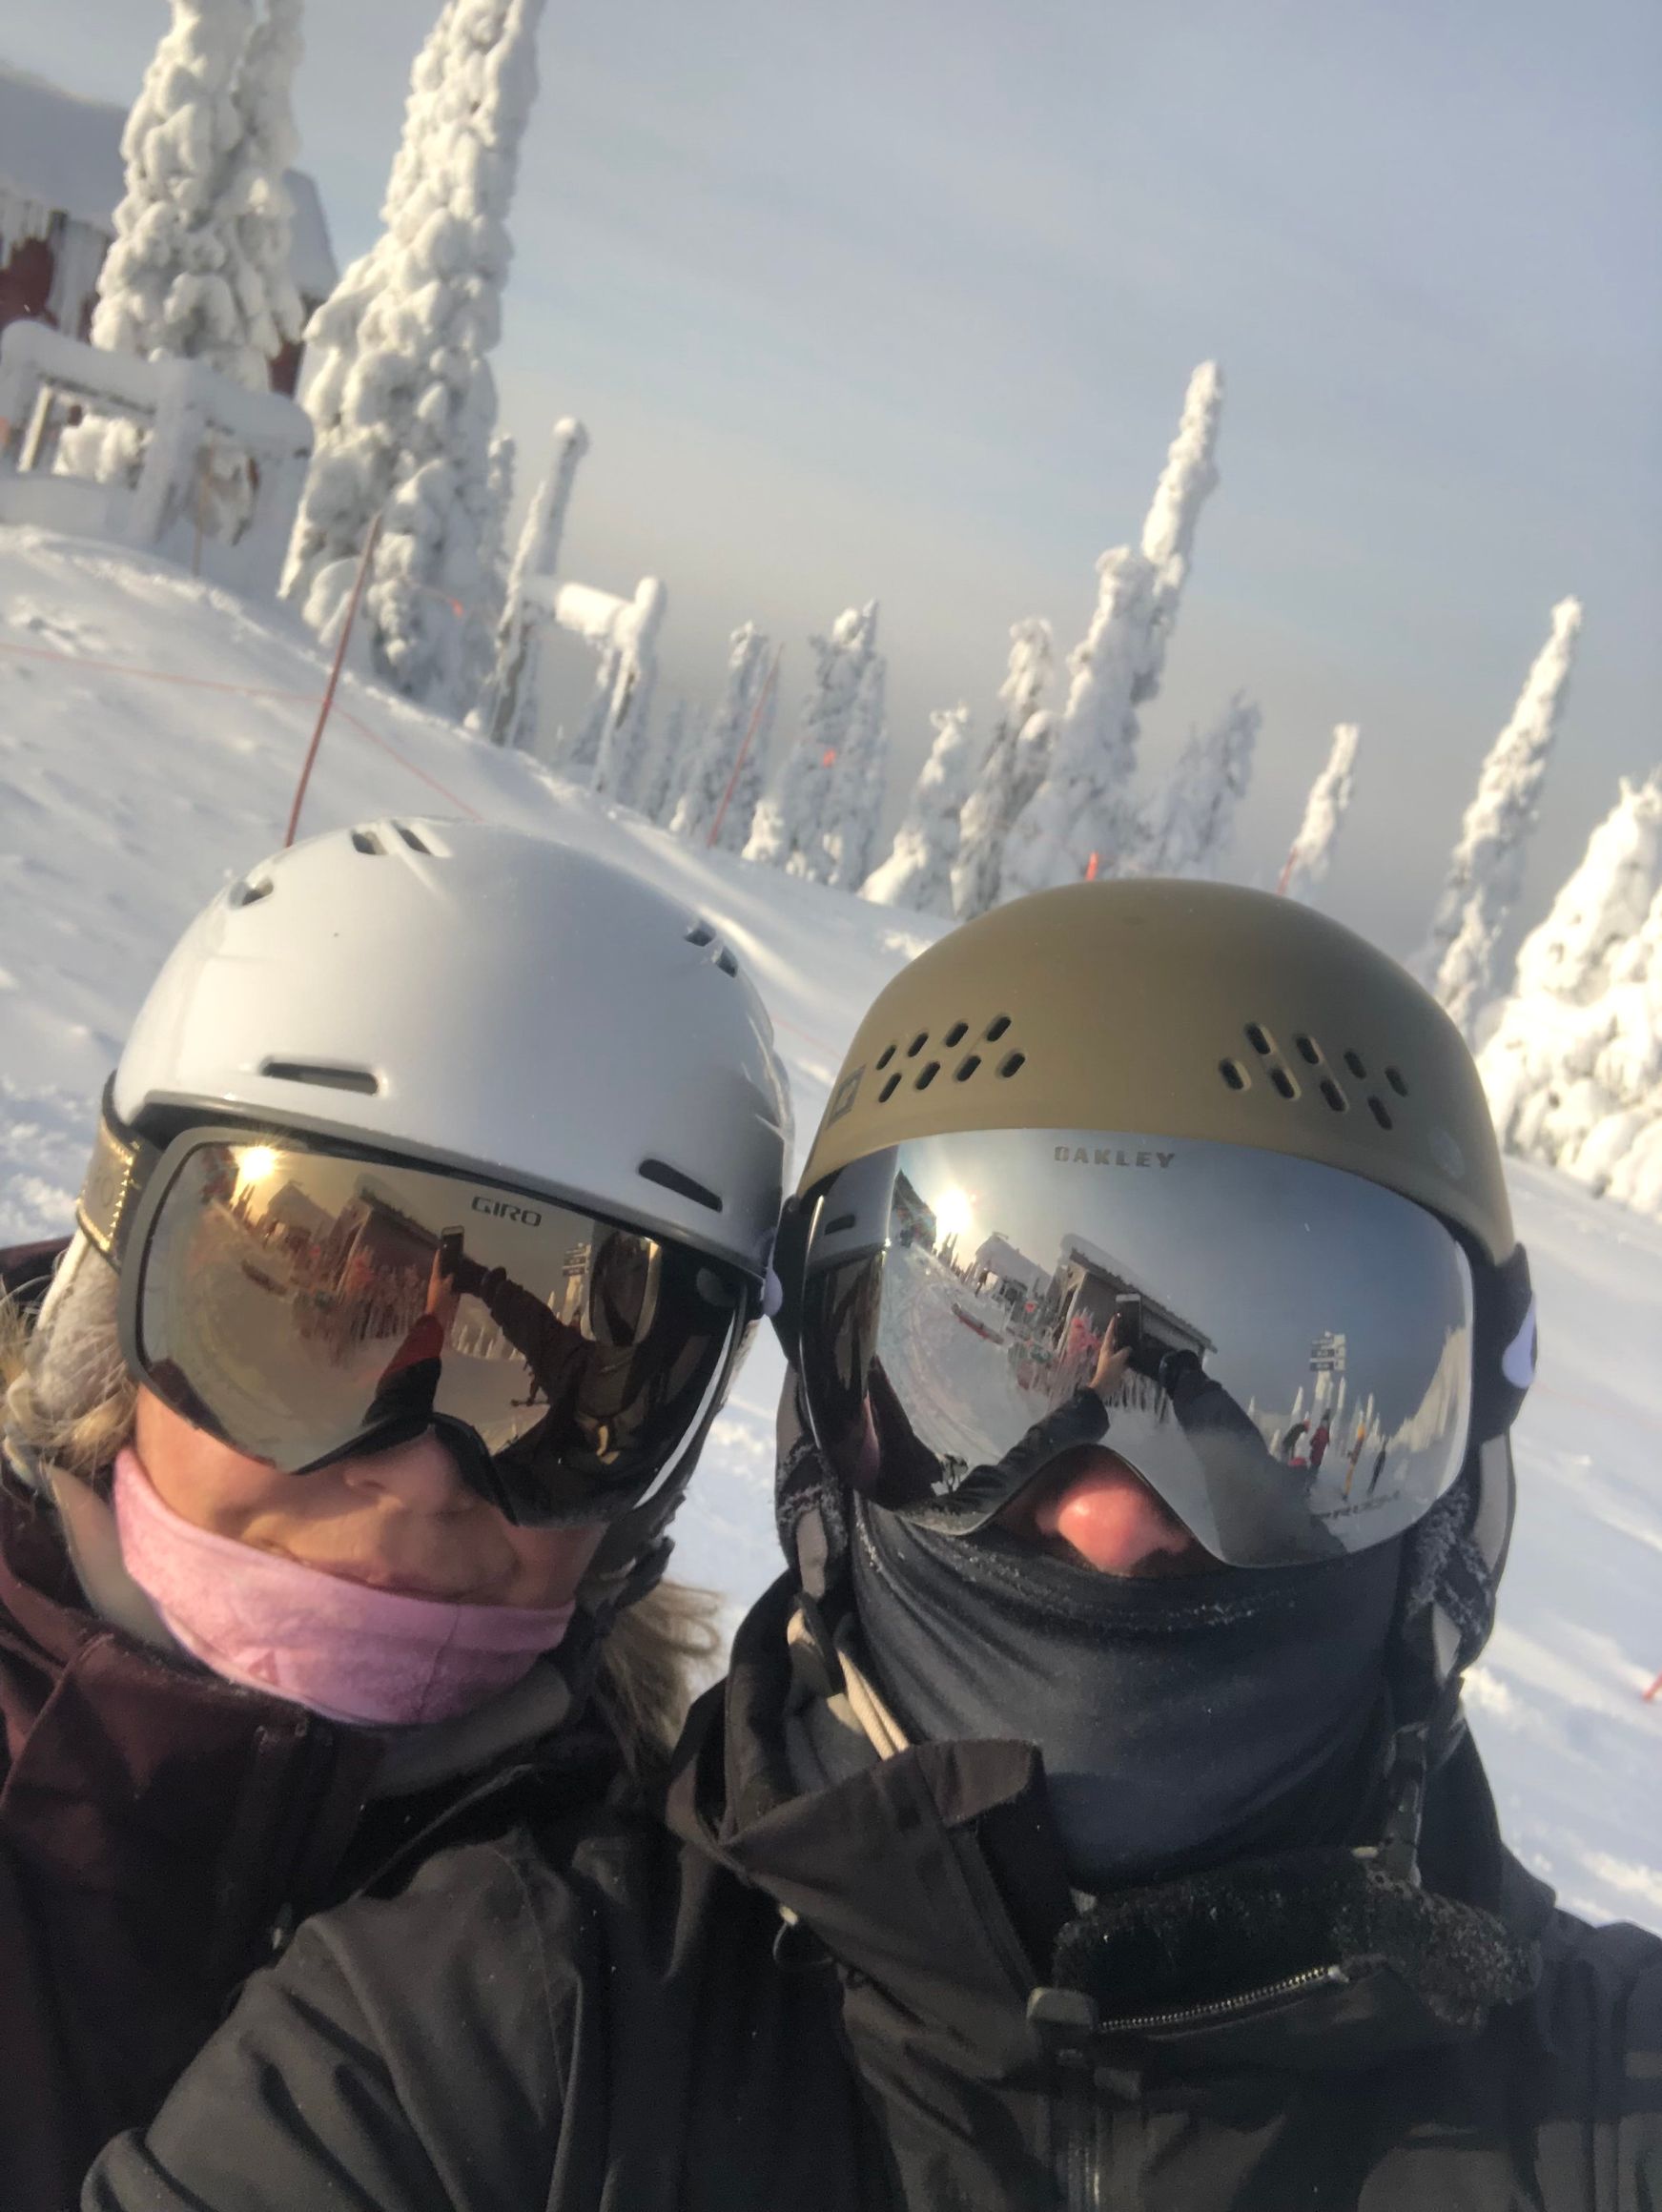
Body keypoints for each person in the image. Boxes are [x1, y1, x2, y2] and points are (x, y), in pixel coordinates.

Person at [86, 880, 1659, 2210]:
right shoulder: (502, 2024)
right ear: (825, 1429)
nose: (1113, 1521)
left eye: (1289, 1428)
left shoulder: (1609, 2092)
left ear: (1462, 1495)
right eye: (992, 1396)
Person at [0, 817, 790, 2210]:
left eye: (567, 1392)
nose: (418, 1472)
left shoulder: (632, 1961)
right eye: (317, 1323)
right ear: (116, 1308)